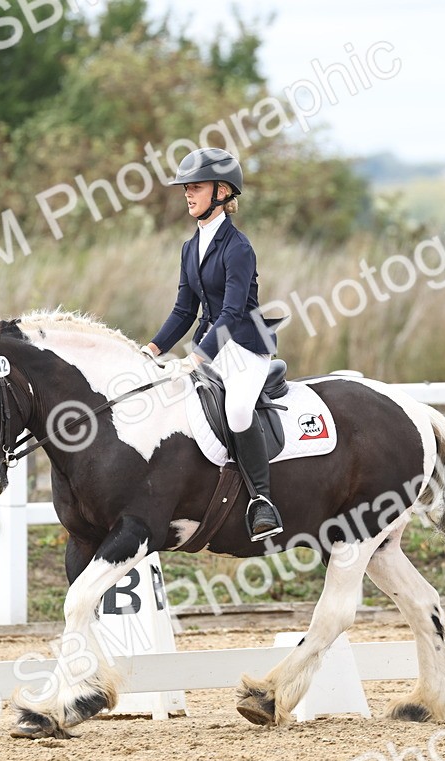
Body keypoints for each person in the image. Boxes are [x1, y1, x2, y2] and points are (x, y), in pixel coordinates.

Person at [141, 147, 284, 541]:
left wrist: (199, 354)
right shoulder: (190, 247)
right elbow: (184, 310)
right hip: (209, 342)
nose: (188, 194)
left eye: (197, 187)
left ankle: (262, 502)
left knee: (237, 410)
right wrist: (150, 351)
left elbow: (234, 312)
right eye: (186, 188)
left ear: (222, 191)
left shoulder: (239, 248)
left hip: (244, 347)